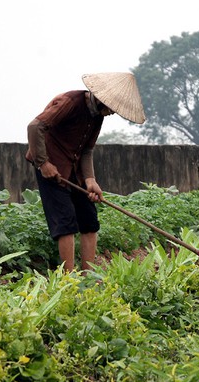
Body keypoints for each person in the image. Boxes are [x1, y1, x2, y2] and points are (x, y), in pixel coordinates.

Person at [26, 72, 145, 271]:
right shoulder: (70, 102)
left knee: (89, 219)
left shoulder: (97, 116)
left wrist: (90, 180)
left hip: (74, 169)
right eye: (112, 108)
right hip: (51, 167)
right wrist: (43, 163)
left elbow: (87, 150)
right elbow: (35, 126)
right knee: (66, 221)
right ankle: (69, 277)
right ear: (101, 99)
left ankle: (88, 275)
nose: (113, 112)